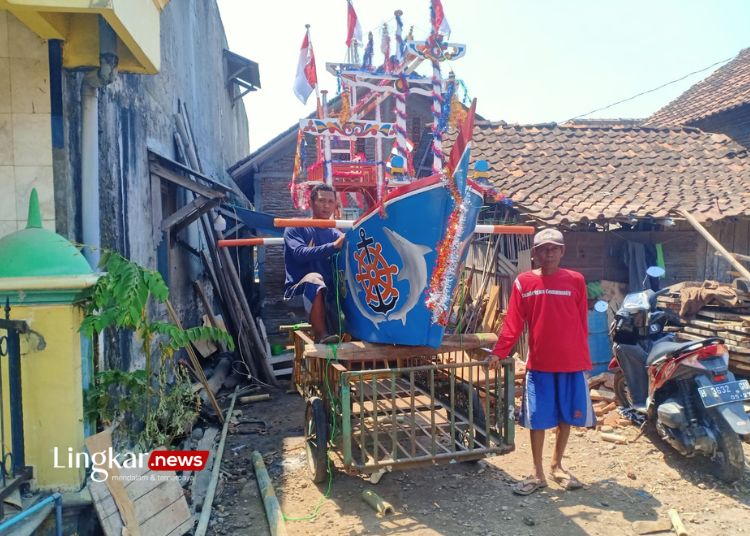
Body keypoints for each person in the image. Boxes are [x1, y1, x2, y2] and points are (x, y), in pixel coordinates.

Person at [488, 228, 594, 495]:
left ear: (562, 251)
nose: (549, 254)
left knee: (565, 417)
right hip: (540, 365)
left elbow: (581, 322)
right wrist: (499, 352)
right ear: (534, 253)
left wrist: (582, 358)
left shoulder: (576, 280)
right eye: (543, 249)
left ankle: (557, 465)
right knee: (536, 420)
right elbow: (513, 322)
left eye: (554, 248)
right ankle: (537, 473)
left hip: (571, 363)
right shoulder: (524, 282)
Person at [283, 183, 346, 343]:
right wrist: (333, 246)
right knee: (314, 278)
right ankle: (321, 334)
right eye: (321, 200)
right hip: (298, 293)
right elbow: (299, 254)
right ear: (311, 202)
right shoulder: (295, 226)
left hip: (328, 295)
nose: (326, 205)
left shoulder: (335, 233)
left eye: (331, 202)